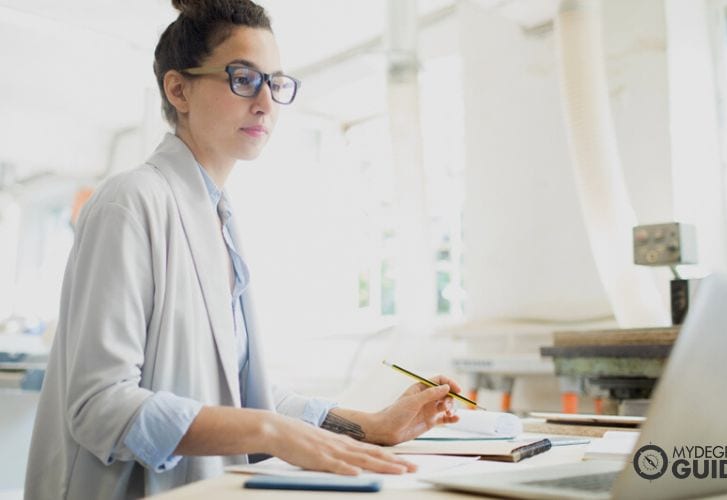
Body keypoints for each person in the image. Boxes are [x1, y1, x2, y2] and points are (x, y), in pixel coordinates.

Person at [24, 1, 463, 498]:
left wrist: (373, 425)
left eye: (275, 83)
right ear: (178, 89)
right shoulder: (131, 202)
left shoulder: (219, 219)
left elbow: (234, 394)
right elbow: (99, 406)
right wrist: (267, 432)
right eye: (243, 79)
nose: (266, 103)